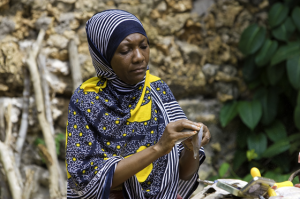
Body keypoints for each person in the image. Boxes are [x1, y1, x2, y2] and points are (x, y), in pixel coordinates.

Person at [65, 9, 211, 199]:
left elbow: (183, 173)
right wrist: (158, 148)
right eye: (125, 50)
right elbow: (87, 182)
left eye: (144, 46)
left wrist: (192, 147)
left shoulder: (157, 90)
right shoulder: (87, 100)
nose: (139, 57)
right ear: (104, 57)